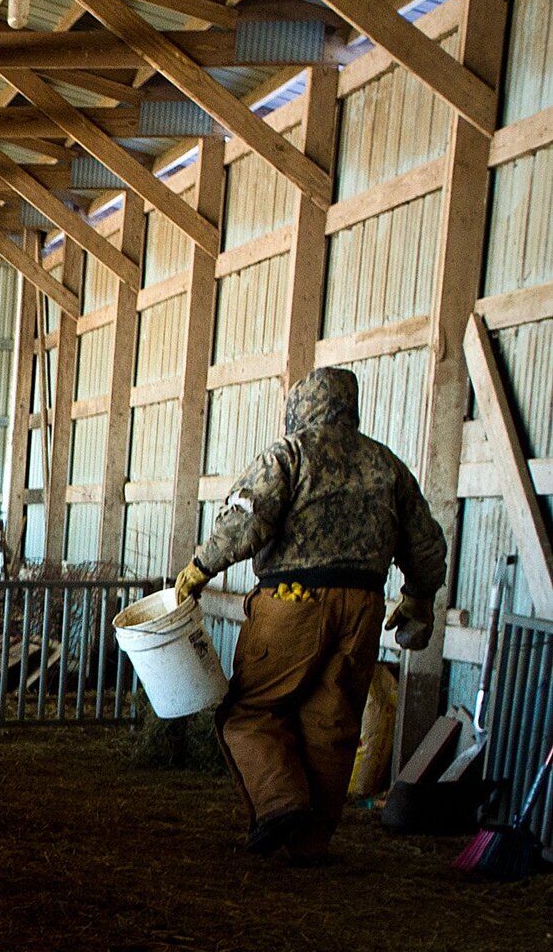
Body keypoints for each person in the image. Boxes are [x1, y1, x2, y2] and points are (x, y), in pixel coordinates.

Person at [171, 366, 448, 866]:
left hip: (293, 600)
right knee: (332, 726)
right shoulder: (385, 464)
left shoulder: (291, 454)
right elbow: (426, 544)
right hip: (364, 606)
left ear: (300, 407)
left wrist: (201, 566)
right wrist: (419, 598)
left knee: (249, 710)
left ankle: (280, 804)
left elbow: (248, 517)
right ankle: (310, 844)